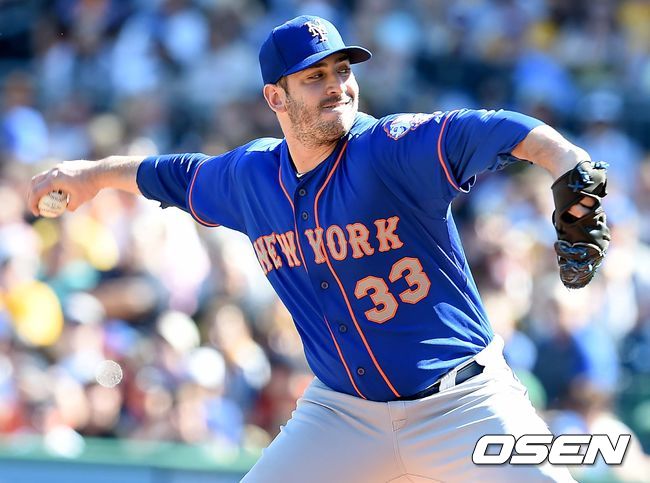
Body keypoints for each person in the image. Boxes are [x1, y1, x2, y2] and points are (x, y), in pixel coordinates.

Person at [29, 15, 610, 483]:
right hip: (343, 415)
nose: (337, 85)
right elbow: (169, 175)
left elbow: (501, 129)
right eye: (314, 76)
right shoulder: (251, 177)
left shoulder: (392, 148)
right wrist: (92, 175)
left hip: (462, 403)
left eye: (342, 70)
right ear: (275, 97)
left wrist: (569, 169)